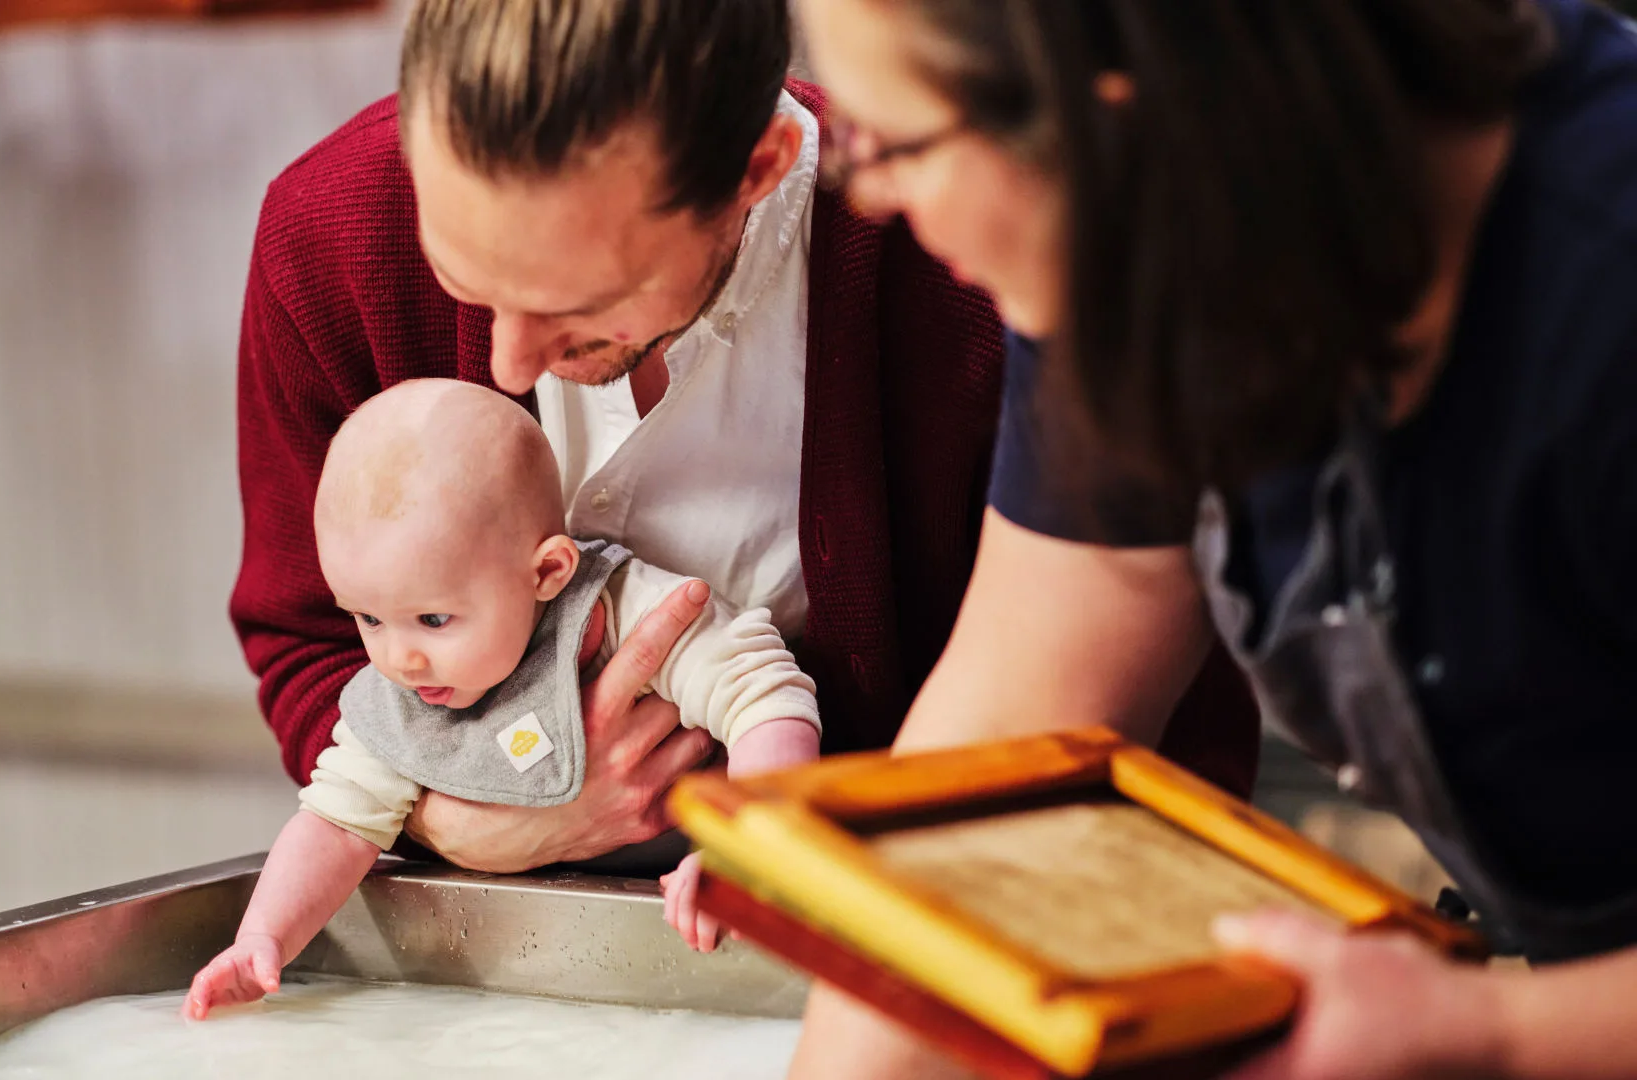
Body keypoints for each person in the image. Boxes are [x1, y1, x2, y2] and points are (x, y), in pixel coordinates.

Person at [788, 0, 1637, 1077]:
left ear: (1116, 115)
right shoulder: (1136, 252)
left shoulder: (1604, 280)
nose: (868, 194)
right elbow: (993, 761)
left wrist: (1490, 1034)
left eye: (891, 144)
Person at [229, 0, 1260, 877]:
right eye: (467, 282)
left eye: (585, 308)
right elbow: (308, 645)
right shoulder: (329, 243)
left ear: (756, 169)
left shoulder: (976, 277)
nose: (506, 364)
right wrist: (466, 814)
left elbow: (1129, 715)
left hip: (924, 897)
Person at [189, 381, 818, 1018]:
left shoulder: (626, 613)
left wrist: (749, 849)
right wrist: (262, 937)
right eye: (367, 619)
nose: (397, 660)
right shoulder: (407, 695)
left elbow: (770, 699)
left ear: (548, 573)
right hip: (552, 972)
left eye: (433, 619)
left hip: (715, 943)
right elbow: (334, 823)